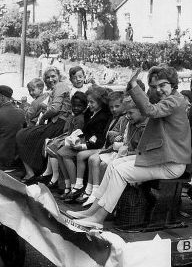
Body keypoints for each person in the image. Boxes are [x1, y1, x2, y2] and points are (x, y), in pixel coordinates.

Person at [68, 66, 191, 229]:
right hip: (164, 157)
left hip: (172, 164)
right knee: (113, 165)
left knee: (121, 171)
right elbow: (143, 103)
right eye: (155, 86)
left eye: (163, 85)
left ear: (173, 84)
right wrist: (132, 88)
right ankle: (92, 211)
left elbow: (149, 110)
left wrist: (134, 85)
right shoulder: (169, 98)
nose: (158, 90)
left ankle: (98, 219)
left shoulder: (175, 101)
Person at [16, 66, 72, 184]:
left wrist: (42, 119)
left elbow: (55, 109)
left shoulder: (60, 87)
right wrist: (44, 108)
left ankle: (31, 172)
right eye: (48, 77)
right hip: (57, 122)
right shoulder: (58, 88)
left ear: (58, 76)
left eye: (53, 76)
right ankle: (36, 169)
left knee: (22, 135)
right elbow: (55, 108)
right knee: (29, 134)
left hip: (59, 124)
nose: (50, 79)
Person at [56, 86, 112, 201]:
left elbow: (98, 139)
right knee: (61, 152)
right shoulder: (90, 113)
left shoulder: (102, 116)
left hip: (97, 146)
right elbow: (86, 131)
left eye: (92, 102)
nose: (89, 105)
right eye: (89, 102)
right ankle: (69, 184)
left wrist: (82, 146)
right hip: (87, 142)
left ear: (100, 102)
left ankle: (77, 185)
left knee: (74, 154)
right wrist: (76, 138)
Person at [42, 91, 88, 192]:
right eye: (74, 106)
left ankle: (56, 178)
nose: (76, 108)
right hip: (69, 136)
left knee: (54, 146)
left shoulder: (79, 119)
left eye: (79, 106)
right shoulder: (74, 116)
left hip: (74, 139)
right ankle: (52, 174)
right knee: (51, 143)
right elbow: (66, 130)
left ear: (84, 106)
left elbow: (75, 134)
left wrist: (64, 139)